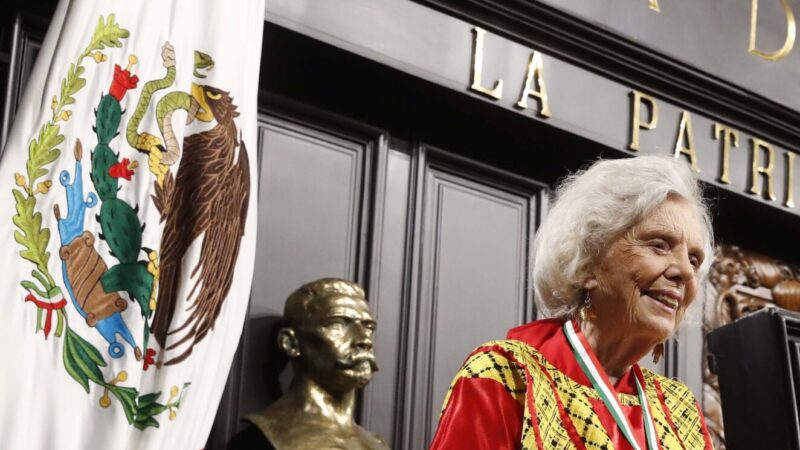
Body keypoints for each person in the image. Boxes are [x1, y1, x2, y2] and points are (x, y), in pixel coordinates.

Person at [430, 156, 715, 450]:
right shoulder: (507, 377)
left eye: (694, 260)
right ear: (588, 260)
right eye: (659, 245)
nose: (684, 272)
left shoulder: (681, 414)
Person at [228, 278, 389, 450]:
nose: (364, 340)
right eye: (338, 324)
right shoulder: (264, 438)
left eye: (369, 327)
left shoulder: (376, 444)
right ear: (290, 343)